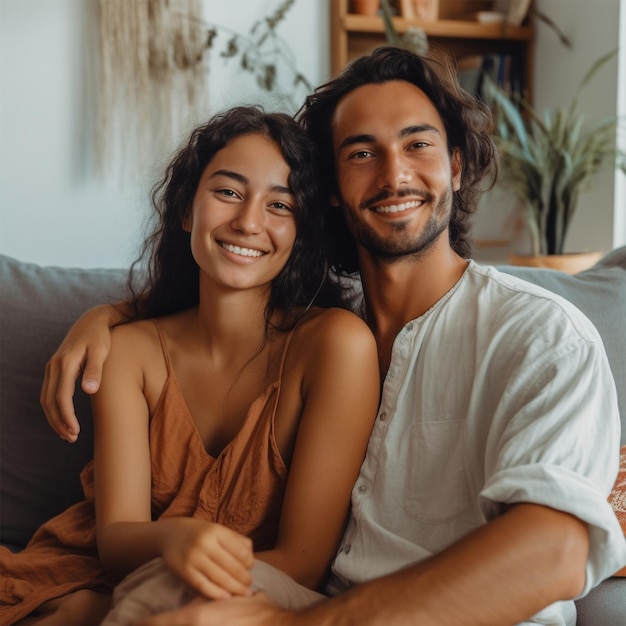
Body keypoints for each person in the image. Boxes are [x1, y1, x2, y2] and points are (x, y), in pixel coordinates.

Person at [40, 47, 626, 626]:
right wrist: (111, 314)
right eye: (363, 152)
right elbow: (227, 295)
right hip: (320, 600)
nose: (394, 173)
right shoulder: (333, 329)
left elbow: (557, 549)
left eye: (418, 145)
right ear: (329, 189)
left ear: (457, 163)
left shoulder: (540, 333)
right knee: (172, 595)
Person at [0, 106, 380, 625]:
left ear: (301, 233)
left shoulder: (335, 346)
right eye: (227, 192)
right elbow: (116, 541)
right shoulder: (129, 355)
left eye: (280, 205)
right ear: (186, 209)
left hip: (239, 599)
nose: (248, 221)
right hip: (81, 572)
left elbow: (302, 564)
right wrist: (175, 537)